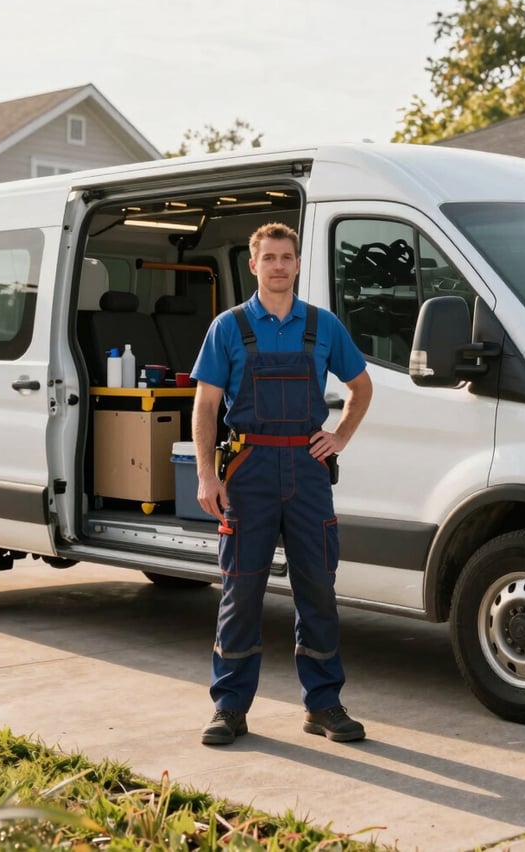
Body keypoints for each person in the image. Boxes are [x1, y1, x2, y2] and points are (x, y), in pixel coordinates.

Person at [190, 222, 373, 745]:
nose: (277, 265)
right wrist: (207, 473)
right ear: (253, 265)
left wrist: (339, 436)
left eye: (286, 257)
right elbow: (205, 406)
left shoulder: (322, 325)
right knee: (241, 590)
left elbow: (361, 387)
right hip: (247, 470)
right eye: (268, 257)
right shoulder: (228, 327)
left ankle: (324, 705)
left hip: (308, 472)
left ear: (296, 264)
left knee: (317, 588)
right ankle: (229, 707)